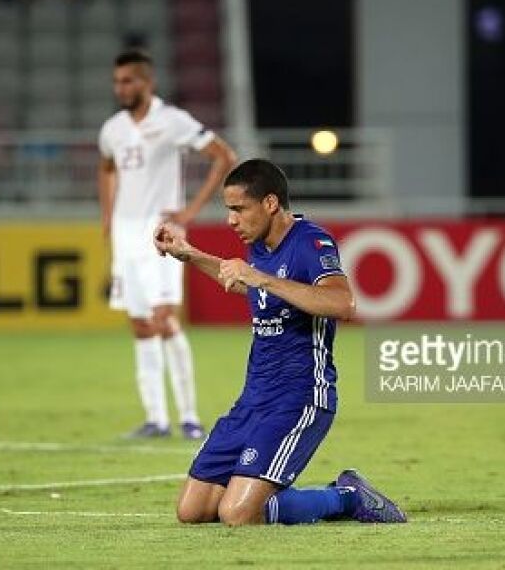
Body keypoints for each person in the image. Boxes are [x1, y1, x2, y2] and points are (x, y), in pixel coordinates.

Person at [155, 159, 406, 526]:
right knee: (192, 511)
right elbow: (246, 284)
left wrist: (261, 278)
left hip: (299, 398)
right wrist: (189, 255)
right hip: (253, 398)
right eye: (229, 210)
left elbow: (343, 304)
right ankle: (266, 494)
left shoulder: (310, 242)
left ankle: (347, 496)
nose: (231, 220)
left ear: (270, 203)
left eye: (239, 209)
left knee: (238, 513)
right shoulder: (260, 244)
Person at [98, 49, 236, 440]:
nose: (121, 88)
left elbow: (224, 156)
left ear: (147, 82)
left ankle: (189, 416)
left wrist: (190, 210)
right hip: (125, 234)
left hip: (161, 232)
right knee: (141, 325)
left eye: (128, 80)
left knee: (164, 318)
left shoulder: (172, 120)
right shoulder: (113, 129)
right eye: (117, 81)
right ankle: (156, 419)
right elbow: (106, 168)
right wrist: (107, 214)